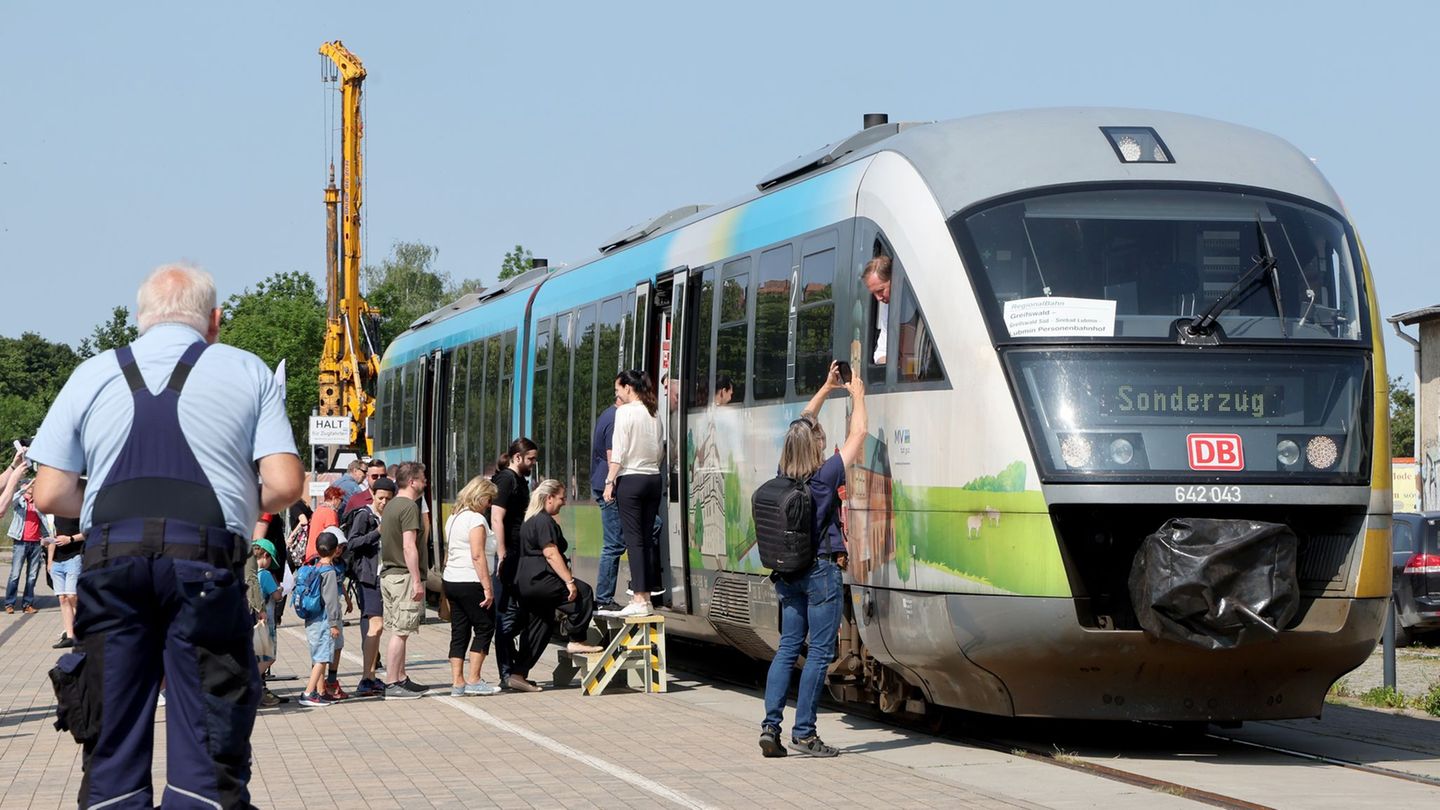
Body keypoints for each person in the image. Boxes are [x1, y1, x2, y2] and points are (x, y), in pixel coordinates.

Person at [29, 262, 304, 808]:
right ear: (215, 320)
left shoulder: (91, 372)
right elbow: (287, 483)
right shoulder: (248, 371)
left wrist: (109, 510)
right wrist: (230, 505)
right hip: (205, 564)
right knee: (209, 742)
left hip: (112, 564)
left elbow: (49, 493)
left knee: (109, 735)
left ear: (141, 320)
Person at [759, 361, 866, 759]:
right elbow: (859, 433)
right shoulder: (826, 474)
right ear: (817, 447)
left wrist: (824, 388)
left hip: (788, 573)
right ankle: (804, 732)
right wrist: (856, 395)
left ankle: (771, 726)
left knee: (788, 647)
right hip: (821, 570)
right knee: (819, 653)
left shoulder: (783, 472)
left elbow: (802, 422)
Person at [512, 479, 602, 690]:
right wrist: (569, 581)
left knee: (539, 627)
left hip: (526, 581)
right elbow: (551, 554)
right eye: (561, 498)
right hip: (542, 578)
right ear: (549, 497)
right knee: (584, 592)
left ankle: (517, 674)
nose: (564, 502)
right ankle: (576, 638)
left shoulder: (530, 520)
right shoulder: (543, 521)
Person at [604, 370, 663, 618]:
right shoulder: (654, 411)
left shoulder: (624, 412)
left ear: (629, 388)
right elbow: (660, 449)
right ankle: (647, 597)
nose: (617, 394)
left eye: (618, 389)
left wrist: (610, 481)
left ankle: (639, 597)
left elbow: (618, 452)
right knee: (647, 539)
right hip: (653, 478)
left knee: (634, 540)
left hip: (632, 479)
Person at [442, 475, 502, 697]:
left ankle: (457, 682)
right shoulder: (476, 520)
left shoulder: (454, 517)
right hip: (471, 581)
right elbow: (477, 556)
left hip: (452, 580)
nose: (489, 505)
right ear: (480, 496)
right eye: (489, 500)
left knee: (459, 630)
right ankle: (474, 679)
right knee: (485, 627)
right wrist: (488, 588)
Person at [489, 438, 537, 688]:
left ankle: (513, 668)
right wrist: (502, 552)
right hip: (508, 554)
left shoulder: (519, 480)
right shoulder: (506, 480)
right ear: (517, 458)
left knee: (519, 611)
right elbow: (497, 517)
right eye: (530, 459)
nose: (533, 463)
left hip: (518, 552)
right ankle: (507, 673)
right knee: (506, 615)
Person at [379, 461, 429, 699]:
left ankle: (400, 677)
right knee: (400, 631)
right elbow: (409, 546)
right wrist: (417, 581)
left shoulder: (390, 506)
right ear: (412, 482)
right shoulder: (409, 507)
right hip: (403, 576)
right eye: (423, 479)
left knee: (401, 629)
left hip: (389, 574)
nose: (425, 482)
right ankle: (391, 683)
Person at [346, 475, 394, 697]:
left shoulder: (388, 516)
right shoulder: (364, 515)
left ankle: (371, 676)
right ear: (373, 495)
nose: (384, 503)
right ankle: (366, 677)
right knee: (376, 626)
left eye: (388, 499)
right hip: (368, 578)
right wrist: (377, 533)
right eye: (381, 498)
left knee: (378, 627)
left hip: (384, 575)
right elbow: (352, 542)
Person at [299, 531, 344, 708]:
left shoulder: (314, 567)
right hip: (324, 620)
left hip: (311, 619)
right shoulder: (330, 572)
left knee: (317, 655)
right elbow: (331, 600)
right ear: (334, 551)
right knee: (322, 658)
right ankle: (308, 693)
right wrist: (334, 624)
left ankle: (319, 692)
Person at [591, 394, 626, 612]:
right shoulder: (616, 419)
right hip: (610, 488)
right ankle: (604, 598)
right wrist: (610, 484)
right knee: (613, 544)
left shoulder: (609, 414)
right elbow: (613, 456)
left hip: (606, 485)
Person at [6, 475, 51, 615]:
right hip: (20, 542)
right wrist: (27, 485)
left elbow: (45, 520)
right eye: (31, 486)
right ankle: (10, 603)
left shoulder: (38, 503)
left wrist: (48, 537)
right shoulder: (19, 501)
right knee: (15, 574)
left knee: (32, 576)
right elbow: (13, 498)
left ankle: (27, 604)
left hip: (36, 543)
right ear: (25, 487)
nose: (33, 487)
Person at [247, 539, 285, 707]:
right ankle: (250, 683)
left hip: (252, 620)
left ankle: (258, 689)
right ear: (265, 555)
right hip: (265, 621)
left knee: (257, 656)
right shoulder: (265, 575)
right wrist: (280, 589)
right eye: (270, 560)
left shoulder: (251, 575)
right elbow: (276, 597)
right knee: (269, 657)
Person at [48, 513, 85, 648]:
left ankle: (81, 631)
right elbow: (54, 536)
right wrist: (49, 561)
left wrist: (70, 539)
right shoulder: (56, 514)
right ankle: (70, 636)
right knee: (62, 598)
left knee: (72, 595)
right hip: (57, 561)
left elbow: (89, 532)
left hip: (74, 557)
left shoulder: (79, 510)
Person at [862, 255, 892, 365]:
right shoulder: (888, 310)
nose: (878, 298)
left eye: (880, 290)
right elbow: (881, 352)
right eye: (874, 293)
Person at [303, 486, 345, 564]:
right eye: (341, 500)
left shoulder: (318, 510)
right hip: (323, 554)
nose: (341, 503)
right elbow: (333, 537)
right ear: (334, 498)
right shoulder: (330, 513)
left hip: (312, 553)